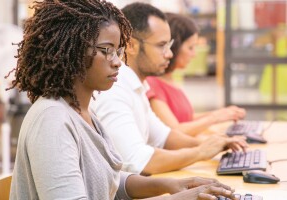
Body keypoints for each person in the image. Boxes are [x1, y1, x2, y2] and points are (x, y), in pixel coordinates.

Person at [7, 0, 237, 199]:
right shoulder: (52, 119)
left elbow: (109, 182)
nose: (117, 61)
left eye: (117, 50)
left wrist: (171, 185)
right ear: (73, 51)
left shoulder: (82, 111)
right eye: (106, 50)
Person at [91, 2, 247, 176]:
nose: (169, 54)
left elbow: (163, 137)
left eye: (169, 45)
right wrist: (200, 152)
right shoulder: (115, 90)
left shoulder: (136, 85)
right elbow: (138, 161)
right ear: (131, 45)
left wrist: (214, 143)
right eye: (161, 46)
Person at [145, 13, 246, 136]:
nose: (194, 54)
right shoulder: (152, 84)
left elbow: (185, 118)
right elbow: (174, 131)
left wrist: (222, 114)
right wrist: (214, 118)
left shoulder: (169, 79)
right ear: (174, 47)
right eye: (190, 48)